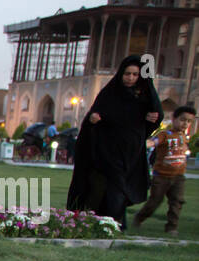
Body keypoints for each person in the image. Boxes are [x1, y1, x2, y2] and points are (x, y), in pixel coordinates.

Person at [68, 55, 162, 229]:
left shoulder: (142, 98)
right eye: (127, 74)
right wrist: (93, 119)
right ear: (121, 74)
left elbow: (155, 115)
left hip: (131, 152)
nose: (131, 78)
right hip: (108, 151)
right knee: (115, 187)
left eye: (135, 74)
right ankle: (114, 223)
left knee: (117, 188)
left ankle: (111, 222)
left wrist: (150, 119)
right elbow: (94, 116)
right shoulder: (110, 93)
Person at [132, 104, 195, 236]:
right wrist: (141, 144)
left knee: (177, 202)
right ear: (174, 118)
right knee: (155, 201)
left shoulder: (184, 137)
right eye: (183, 119)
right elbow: (153, 142)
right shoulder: (165, 134)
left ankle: (172, 227)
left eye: (189, 121)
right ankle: (139, 218)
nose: (185, 124)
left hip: (179, 177)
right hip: (161, 176)